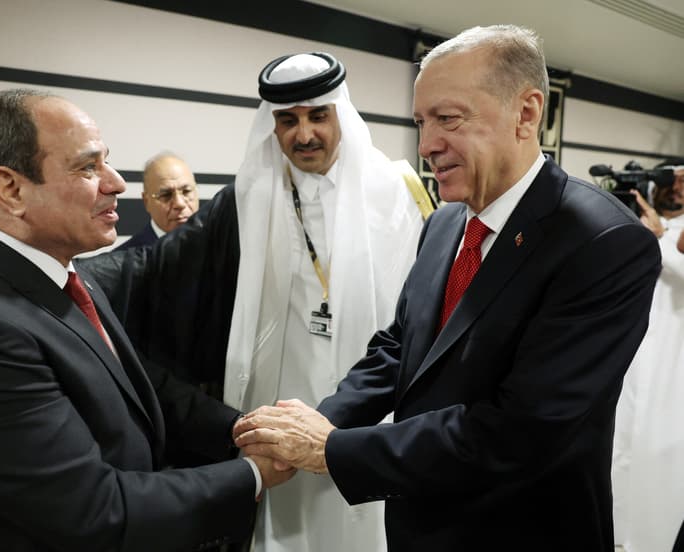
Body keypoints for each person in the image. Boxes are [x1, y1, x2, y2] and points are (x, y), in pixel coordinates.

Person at [233, 25, 662, 551]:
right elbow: (401, 347)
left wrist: (332, 449)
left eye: (449, 119)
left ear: (527, 113)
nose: (427, 146)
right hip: (420, 524)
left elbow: (522, 431)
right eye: (421, 122)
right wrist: (320, 421)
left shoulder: (603, 242)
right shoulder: (445, 223)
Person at [0, 89, 292, 552]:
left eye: (107, 162)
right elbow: (96, 512)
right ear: (11, 190)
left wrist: (242, 430)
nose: (116, 183)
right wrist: (252, 474)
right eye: (87, 167)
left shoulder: (62, 275)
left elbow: (132, 386)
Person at [81, 52, 426, 551]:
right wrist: (55, 271)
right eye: (288, 121)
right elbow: (153, 268)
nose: (304, 134)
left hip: (371, 403)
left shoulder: (398, 192)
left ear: (340, 113)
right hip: (279, 402)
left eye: (317, 116)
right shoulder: (248, 198)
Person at [612, 165, 684, 552]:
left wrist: (658, 238)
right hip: (630, 357)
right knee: (621, 445)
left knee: (660, 454)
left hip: (671, 365)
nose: (677, 189)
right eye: (672, 181)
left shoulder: (669, 234)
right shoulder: (638, 223)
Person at [114, 152, 199, 249]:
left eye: (186, 191)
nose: (179, 203)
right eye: (166, 195)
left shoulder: (213, 246)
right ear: (146, 201)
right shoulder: (125, 256)